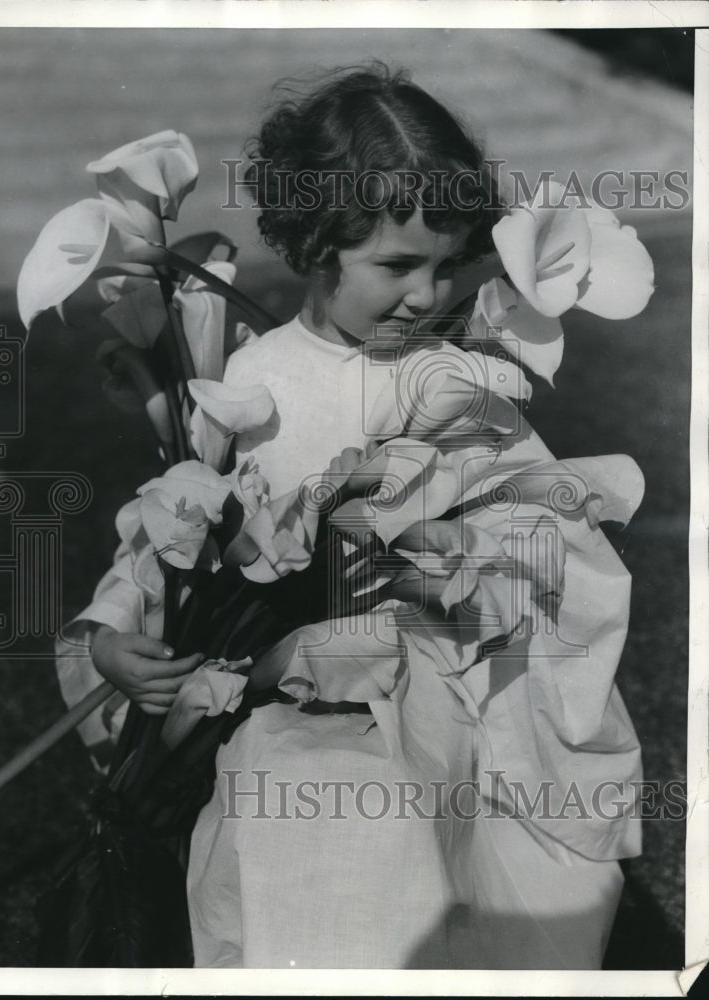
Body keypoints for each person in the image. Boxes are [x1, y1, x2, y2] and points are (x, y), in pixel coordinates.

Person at [57, 64, 642, 969]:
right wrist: (106, 636)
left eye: (451, 267)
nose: (428, 298)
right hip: (287, 690)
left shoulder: (457, 378)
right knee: (321, 818)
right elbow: (171, 531)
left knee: (453, 834)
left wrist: (478, 558)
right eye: (398, 265)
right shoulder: (255, 382)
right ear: (314, 244)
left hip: (433, 680)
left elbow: (530, 513)